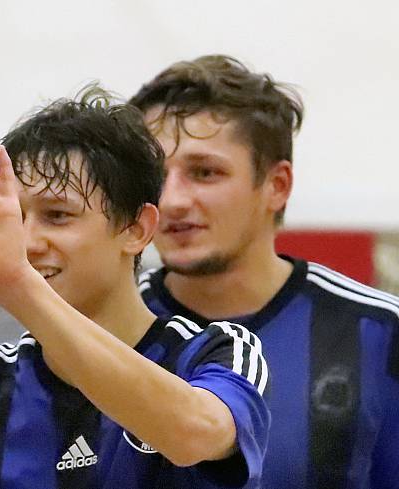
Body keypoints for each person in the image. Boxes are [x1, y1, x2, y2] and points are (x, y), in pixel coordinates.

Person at [0, 87, 270, 488]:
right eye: (13, 218)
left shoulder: (215, 352)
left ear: (136, 229)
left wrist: (17, 283)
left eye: (57, 215)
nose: (27, 241)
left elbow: (194, 434)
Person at [129, 54, 399, 488]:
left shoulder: (380, 333)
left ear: (277, 185)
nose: (173, 200)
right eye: (154, 175)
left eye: (204, 172)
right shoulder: (94, 335)